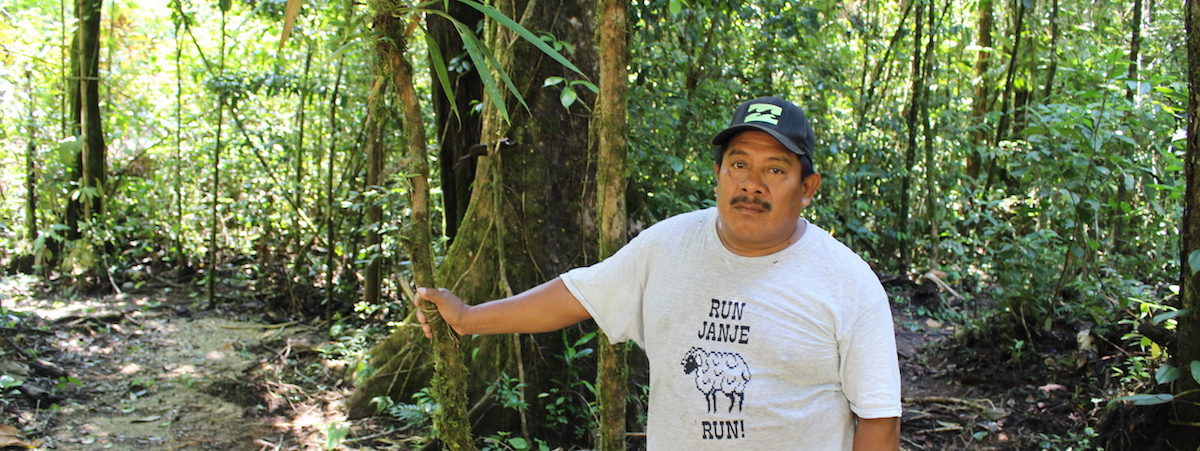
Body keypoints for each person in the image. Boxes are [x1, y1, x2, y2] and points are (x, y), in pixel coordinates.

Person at [414, 96, 901, 450]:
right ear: (718, 174)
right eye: (738, 164)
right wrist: (468, 318)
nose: (751, 184)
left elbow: (878, 420)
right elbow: (578, 294)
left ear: (807, 186)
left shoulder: (847, 282)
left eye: (775, 170)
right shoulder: (667, 245)